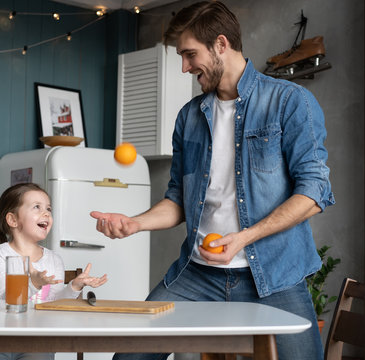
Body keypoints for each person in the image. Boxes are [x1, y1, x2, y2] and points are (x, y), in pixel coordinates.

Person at [90, 2, 334, 360]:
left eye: (190, 54)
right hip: (197, 275)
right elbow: (178, 198)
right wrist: (135, 223)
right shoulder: (189, 117)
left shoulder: (289, 102)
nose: (185, 67)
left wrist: (244, 239)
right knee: (131, 355)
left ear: (221, 44)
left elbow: (314, 192)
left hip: (274, 274)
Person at [0, 183, 107, 360]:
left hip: (39, 341)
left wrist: (74, 287)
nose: (46, 213)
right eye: (37, 207)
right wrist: (33, 283)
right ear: (13, 220)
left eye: (48, 208)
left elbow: (55, 304)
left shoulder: (54, 260)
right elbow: (4, 297)